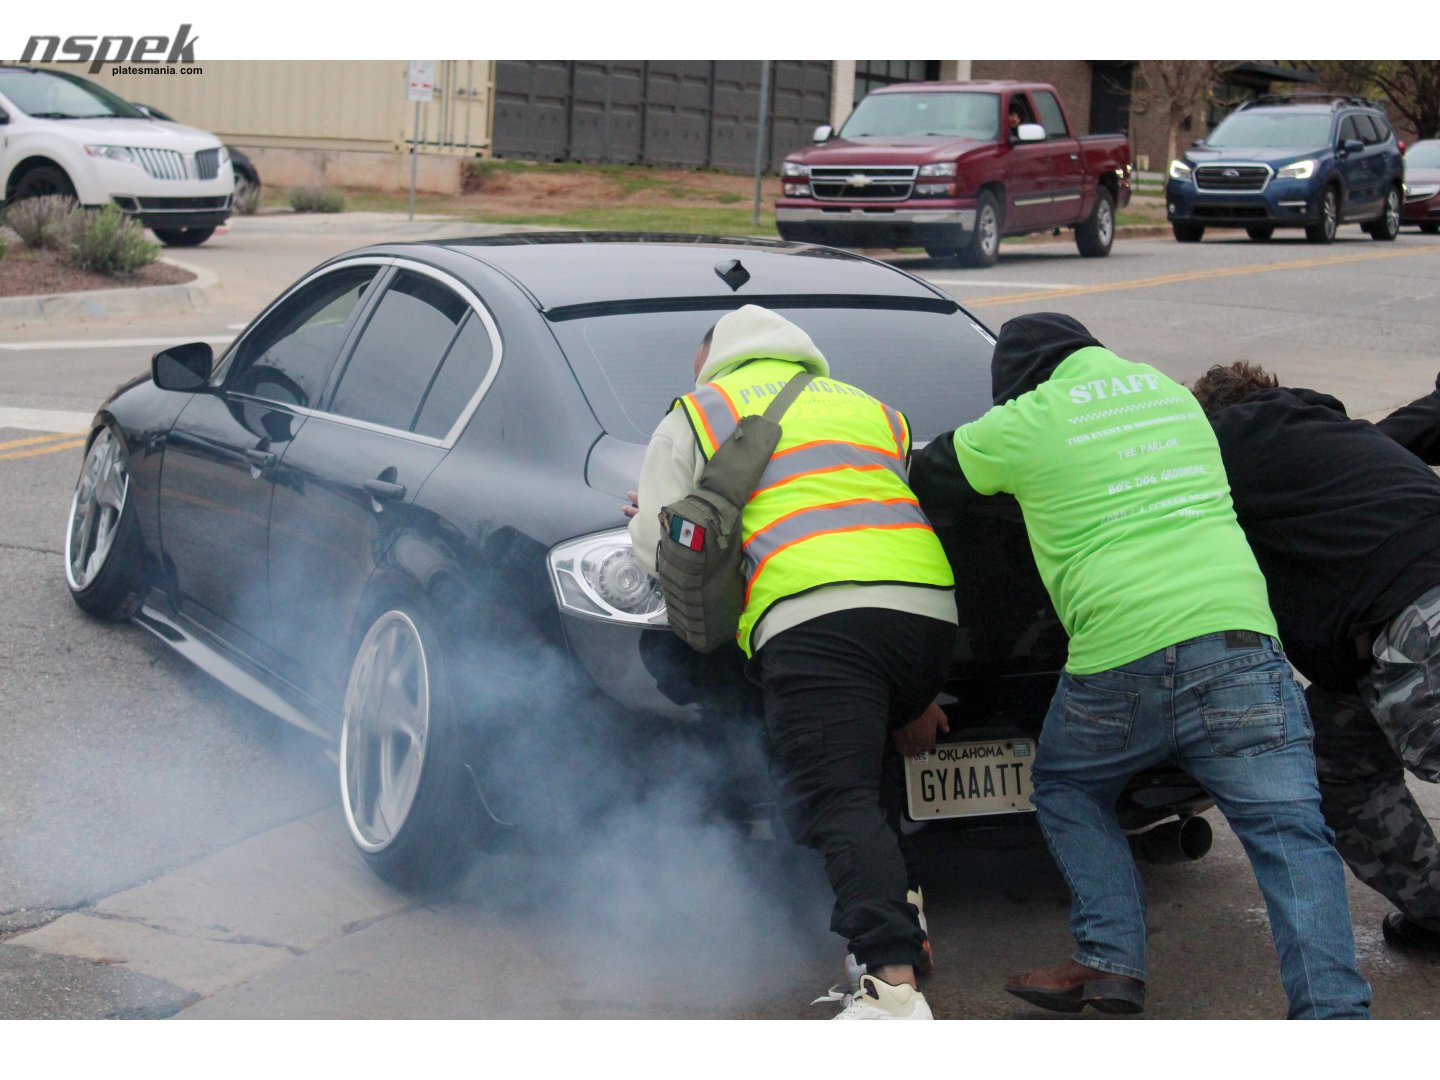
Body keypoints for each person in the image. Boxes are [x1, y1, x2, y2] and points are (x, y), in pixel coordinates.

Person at [909, 313, 1371, 1019]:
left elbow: (929, 472)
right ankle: (1335, 1021)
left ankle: (1110, 961)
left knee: (1066, 786)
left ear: (1018, 383)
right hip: (1239, 645)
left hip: (1119, 657)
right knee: (1291, 837)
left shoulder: (1028, 418)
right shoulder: (1170, 394)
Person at [626, 304, 959, 1019]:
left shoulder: (701, 410)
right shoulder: (874, 410)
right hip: (928, 614)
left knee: (832, 798)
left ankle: (891, 993)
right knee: (862, 780)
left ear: (714, 355)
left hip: (819, 616)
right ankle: (900, 929)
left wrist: (646, 516)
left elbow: (659, 548)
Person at [1192, 361, 1440, 954]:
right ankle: (1434, 907)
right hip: (1390, 637)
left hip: (1419, 622)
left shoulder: (1219, 459)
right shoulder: (1337, 433)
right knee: (1331, 755)